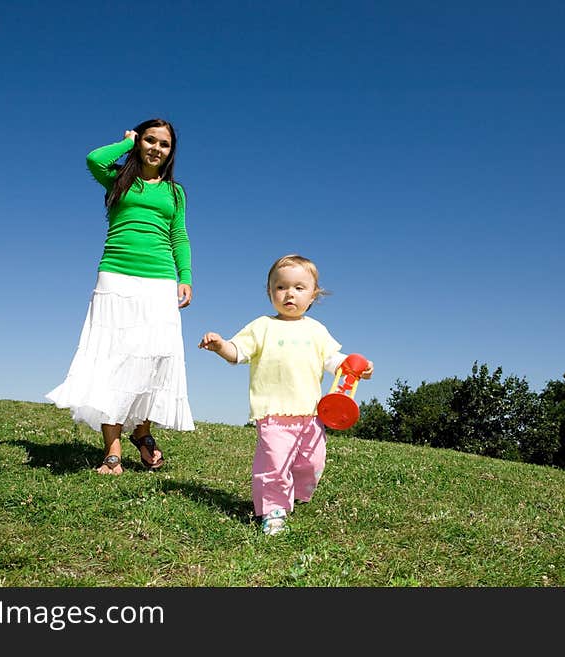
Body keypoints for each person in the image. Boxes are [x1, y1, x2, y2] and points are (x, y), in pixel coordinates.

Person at [47, 118, 195, 475]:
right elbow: (94, 159)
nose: (156, 148)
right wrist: (125, 144)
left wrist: (185, 276)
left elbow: (180, 235)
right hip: (116, 276)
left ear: (171, 151)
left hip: (159, 280)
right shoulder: (118, 178)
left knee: (153, 358)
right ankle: (112, 448)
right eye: (150, 140)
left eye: (164, 144)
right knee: (113, 358)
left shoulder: (175, 193)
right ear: (139, 141)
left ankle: (142, 432)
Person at [198, 254, 373, 535]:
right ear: (270, 292)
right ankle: (273, 509)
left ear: (313, 295)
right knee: (274, 464)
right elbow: (238, 352)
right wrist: (220, 345)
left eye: (299, 288)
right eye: (281, 287)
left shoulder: (316, 330)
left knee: (312, 462)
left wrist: (357, 367)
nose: (289, 293)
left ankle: (299, 493)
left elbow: (334, 361)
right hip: (273, 412)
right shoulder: (262, 326)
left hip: (312, 413)